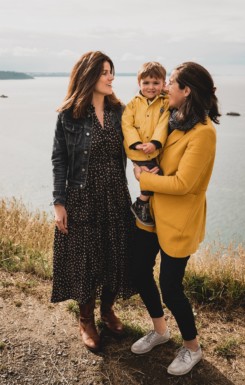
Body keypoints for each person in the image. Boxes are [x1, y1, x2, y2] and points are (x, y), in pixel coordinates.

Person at [131, 62, 220, 376]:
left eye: (171, 83)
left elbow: (184, 184)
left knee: (170, 288)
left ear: (187, 91)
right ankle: (160, 330)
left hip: (179, 221)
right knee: (139, 270)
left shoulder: (204, 133)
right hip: (153, 213)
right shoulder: (172, 118)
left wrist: (145, 180)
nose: (165, 87)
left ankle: (192, 348)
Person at [51, 51, 136, 352]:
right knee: (86, 260)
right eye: (104, 72)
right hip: (82, 196)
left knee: (115, 254)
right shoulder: (69, 115)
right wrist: (59, 203)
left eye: (112, 71)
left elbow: (144, 136)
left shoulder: (121, 112)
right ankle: (86, 319)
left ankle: (107, 310)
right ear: (88, 76)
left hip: (115, 194)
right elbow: (59, 159)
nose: (111, 76)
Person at [122, 62, 170, 226]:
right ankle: (141, 203)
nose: (151, 87)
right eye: (146, 83)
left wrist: (155, 143)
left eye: (156, 83)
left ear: (164, 84)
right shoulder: (133, 104)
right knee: (155, 176)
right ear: (139, 83)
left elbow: (163, 124)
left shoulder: (165, 102)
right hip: (138, 151)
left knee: (156, 175)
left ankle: (146, 205)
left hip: (153, 149)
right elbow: (126, 125)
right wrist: (136, 144)